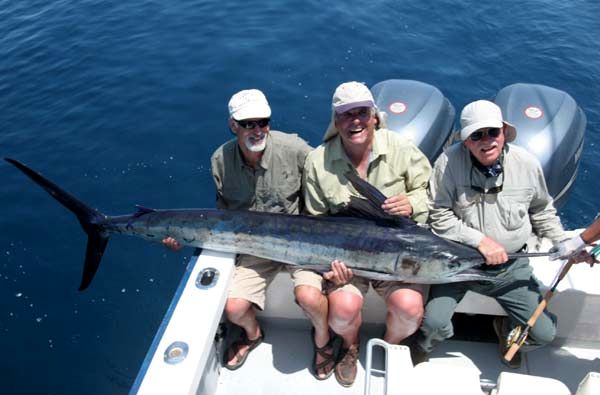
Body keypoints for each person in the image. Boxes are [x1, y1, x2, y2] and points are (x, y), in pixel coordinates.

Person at [163, 89, 335, 379]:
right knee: (234, 308)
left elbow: (327, 186)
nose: (257, 129)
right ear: (233, 125)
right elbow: (223, 215)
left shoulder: (295, 149)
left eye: (263, 122)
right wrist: (184, 238)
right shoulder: (220, 160)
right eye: (248, 124)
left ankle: (324, 341)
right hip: (255, 248)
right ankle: (254, 335)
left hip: (304, 245)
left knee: (309, 298)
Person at [414, 99, 567, 368]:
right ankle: (426, 345)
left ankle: (505, 330)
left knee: (544, 333)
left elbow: (542, 210)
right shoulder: (447, 163)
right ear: (466, 142)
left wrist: (562, 241)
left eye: (492, 132)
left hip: (511, 267)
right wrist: (480, 241)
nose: (487, 141)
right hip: (459, 263)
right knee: (434, 323)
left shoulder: (527, 164)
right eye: (477, 135)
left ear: (504, 132)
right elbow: (437, 215)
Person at [303, 81, 432, 387]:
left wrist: (411, 203)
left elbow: (431, 193)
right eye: (346, 115)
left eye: (362, 112)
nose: (355, 120)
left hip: (401, 256)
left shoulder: (401, 148)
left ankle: (390, 345)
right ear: (336, 121)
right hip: (348, 261)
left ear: (375, 116)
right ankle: (350, 346)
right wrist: (330, 270)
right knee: (342, 312)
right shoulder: (317, 162)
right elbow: (316, 223)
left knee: (411, 309)